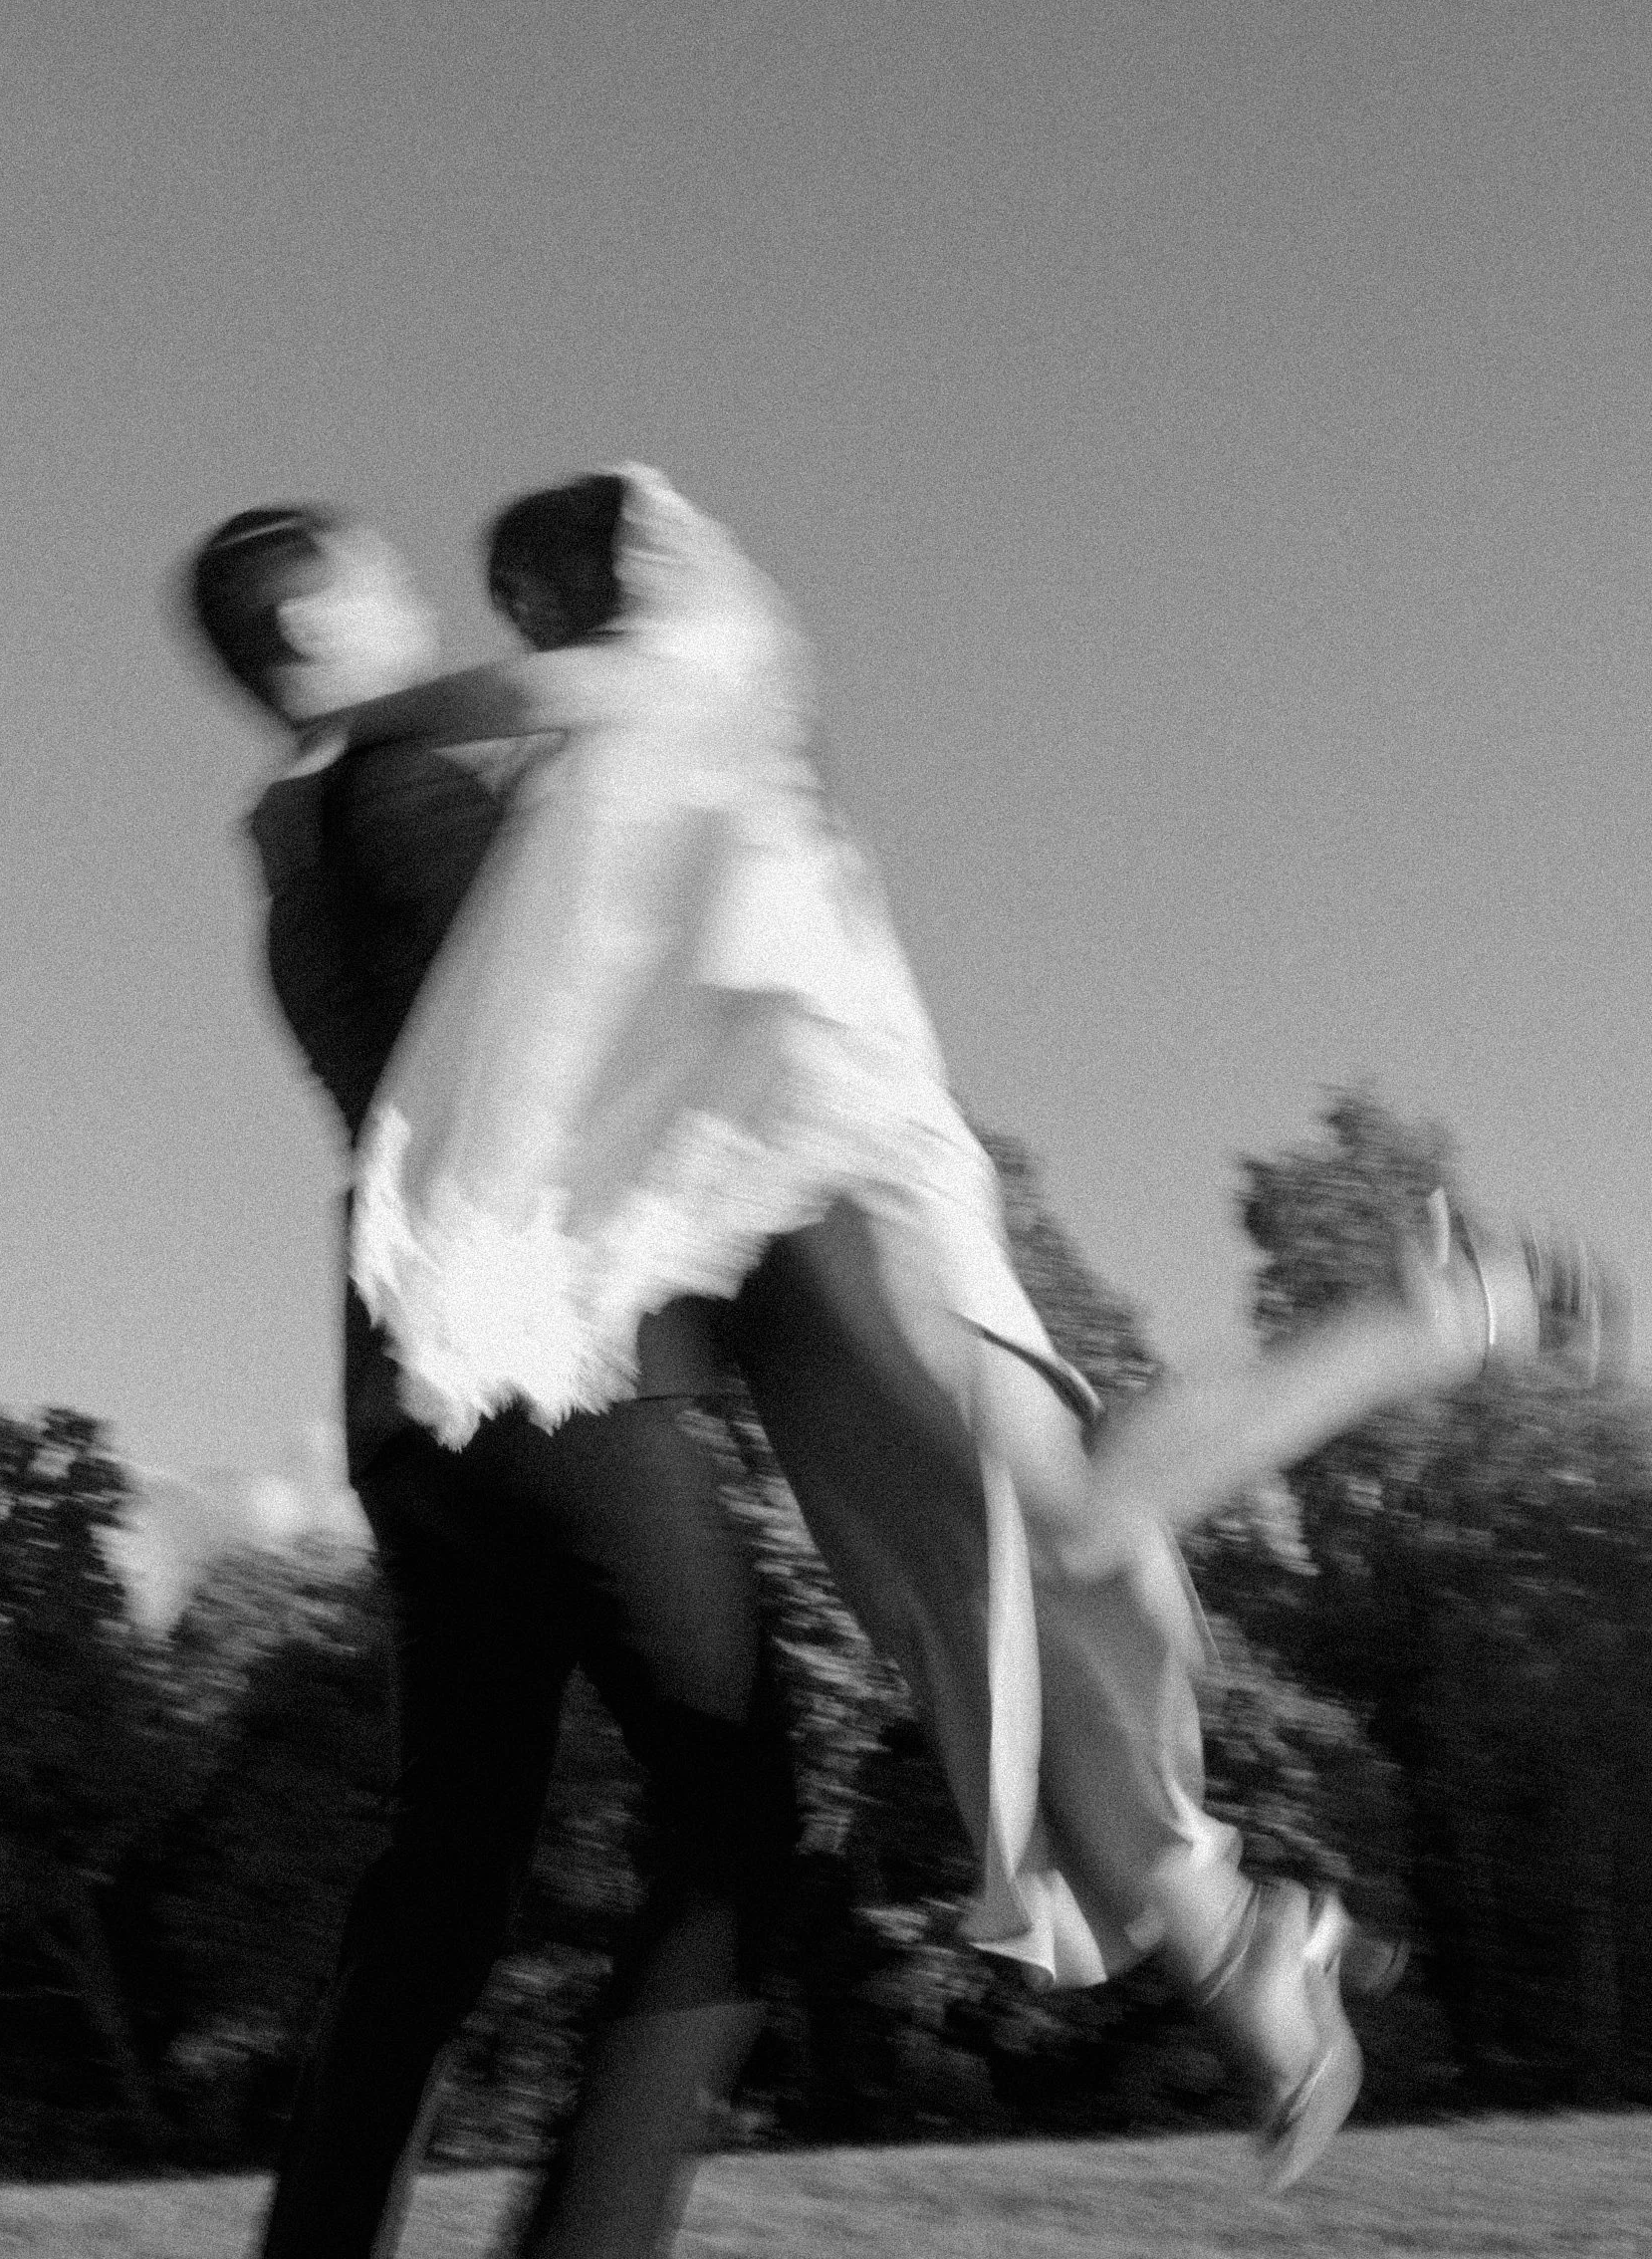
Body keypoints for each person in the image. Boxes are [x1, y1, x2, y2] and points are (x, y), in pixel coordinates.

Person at [323, 464, 1621, 2190]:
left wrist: (357, 718)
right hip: (751, 1237)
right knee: (974, 1630)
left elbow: (567, 719)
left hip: (849, 1159)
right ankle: (1245, 1940)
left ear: (602, 578)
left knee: (1073, 1522)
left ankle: (1449, 1308)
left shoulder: (692, 650)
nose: (536, 632)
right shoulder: (604, 749)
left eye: (543, 598)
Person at [178, 503, 798, 2259]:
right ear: (310, 625)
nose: (427, 612)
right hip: (542, 1366)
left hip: (406, 1405)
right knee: (741, 1820)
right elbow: (575, 1009)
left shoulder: (293, 847)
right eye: (382, 584)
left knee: (449, 1874)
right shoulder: (405, 801)